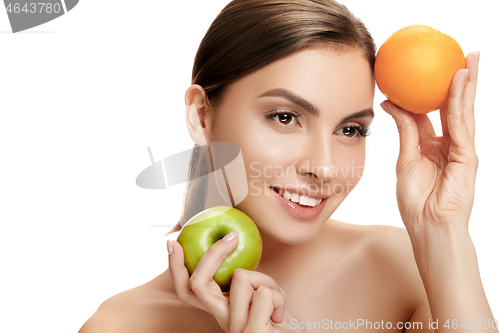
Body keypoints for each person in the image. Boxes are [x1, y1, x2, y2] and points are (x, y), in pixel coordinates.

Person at [79, 0, 496, 332]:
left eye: (350, 129)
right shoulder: (122, 326)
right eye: (285, 117)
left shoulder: (404, 269)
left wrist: (442, 230)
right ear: (202, 115)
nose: (326, 168)